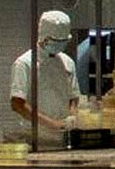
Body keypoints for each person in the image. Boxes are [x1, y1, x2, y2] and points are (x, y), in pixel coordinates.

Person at [6, 10, 80, 148]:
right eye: (56, 42)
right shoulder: (25, 63)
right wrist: (52, 124)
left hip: (64, 139)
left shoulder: (67, 62)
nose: (60, 45)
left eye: (63, 42)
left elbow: (73, 96)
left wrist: (73, 118)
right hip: (35, 139)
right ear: (44, 39)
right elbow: (17, 104)